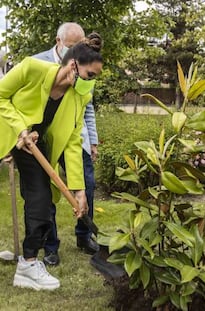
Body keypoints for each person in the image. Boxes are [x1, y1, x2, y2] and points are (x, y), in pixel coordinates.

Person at [0, 32, 104, 290]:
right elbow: (1, 96)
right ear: (73, 65)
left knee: (41, 200)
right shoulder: (31, 68)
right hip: (9, 130)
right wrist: (20, 128)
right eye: (90, 76)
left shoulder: (79, 97)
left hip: (33, 144)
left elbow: (71, 141)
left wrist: (79, 190)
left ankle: (29, 263)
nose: (91, 84)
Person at [33, 22, 100, 267]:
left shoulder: (86, 64)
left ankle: (84, 236)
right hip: (44, 139)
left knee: (87, 185)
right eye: (71, 47)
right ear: (58, 41)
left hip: (74, 137)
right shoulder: (37, 62)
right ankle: (50, 246)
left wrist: (92, 140)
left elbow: (88, 106)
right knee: (47, 192)